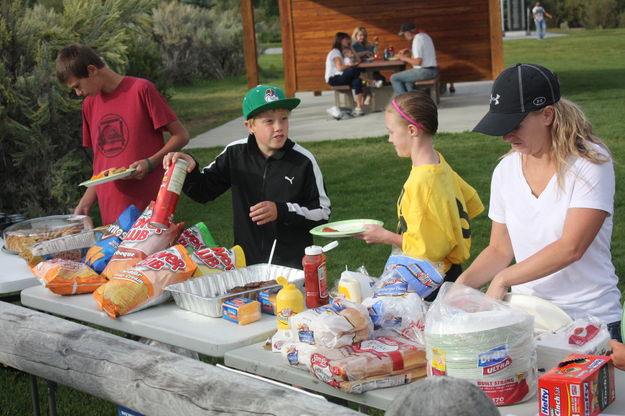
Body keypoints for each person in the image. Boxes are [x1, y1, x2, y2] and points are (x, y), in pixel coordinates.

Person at [457, 63, 622, 342]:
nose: (506, 136)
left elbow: (572, 247)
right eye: (501, 126)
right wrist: (459, 289)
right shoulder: (505, 171)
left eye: (514, 126)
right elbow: (499, 248)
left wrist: (503, 279)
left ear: (547, 115)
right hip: (528, 318)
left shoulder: (589, 164)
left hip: (589, 320)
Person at [163, 85, 331, 269]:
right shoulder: (235, 154)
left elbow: (322, 213)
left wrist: (282, 211)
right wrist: (190, 169)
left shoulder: (303, 161)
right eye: (269, 121)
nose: (279, 127)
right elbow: (203, 191)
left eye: (284, 119)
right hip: (247, 263)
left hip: (291, 265)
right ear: (250, 126)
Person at [353, 90, 484, 301]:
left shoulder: (422, 181)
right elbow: (471, 202)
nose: (389, 139)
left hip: (431, 279)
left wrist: (384, 236)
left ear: (412, 130)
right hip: (447, 272)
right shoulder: (439, 164)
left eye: (392, 132)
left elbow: (429, 249)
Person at [56, 43, 190, 225]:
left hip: (149, 205)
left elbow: (181, 135)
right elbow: (102, 163)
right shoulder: (89, 105)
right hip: (110, 208)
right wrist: (86, 201)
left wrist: (150, 163)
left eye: (77, 86)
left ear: (92, 70)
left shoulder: (141, 90)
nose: (78, 93)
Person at [325, 32, 367, 116]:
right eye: (347, 39)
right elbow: (340, 68)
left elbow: (358, 61)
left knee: (357, 80)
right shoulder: (335, 52)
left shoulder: (343, 52)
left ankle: (358, 108)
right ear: (340, 40)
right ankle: (370, 81)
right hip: (334, 79)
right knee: (351, 70)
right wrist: (349, 65)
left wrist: (352, 48)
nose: (349, 41)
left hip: (342, 76)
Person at [390, 22, 438, 95]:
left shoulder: (417, 40)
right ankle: (413, 100)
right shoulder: (424, 36)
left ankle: (403, 102)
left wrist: (403, 57)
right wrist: (409, 50)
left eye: (404, 34)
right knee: (407, 82)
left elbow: (418, 62)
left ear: (408, 33)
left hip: (425, 71)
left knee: (394, 78)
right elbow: (424, 52)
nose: (404, 36)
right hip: (433, 70)